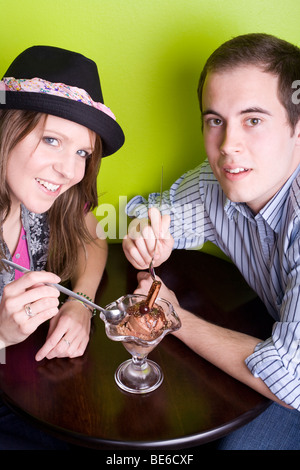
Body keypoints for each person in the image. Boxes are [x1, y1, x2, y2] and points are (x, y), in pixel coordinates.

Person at [123, 33, 300, 450]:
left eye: (253, 120)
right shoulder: (219, 182)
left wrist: (174, 317)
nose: (227, 146)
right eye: (215, 120)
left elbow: (290, 378)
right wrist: (146, 236)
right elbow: (145, 211)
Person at [0, 45, 124, 448]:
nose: (70, 171)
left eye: (82, 152)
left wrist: (81, 304)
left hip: (35, 394)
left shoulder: (49, 197)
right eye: (52, 139)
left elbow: (92, 236)